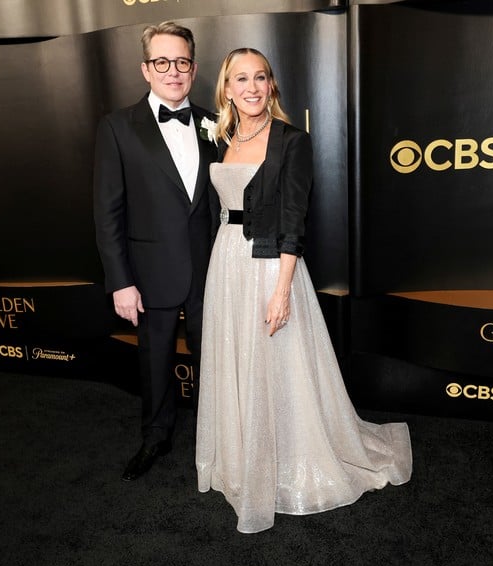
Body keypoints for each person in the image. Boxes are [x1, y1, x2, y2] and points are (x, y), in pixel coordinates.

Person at [195, 48, 413, 533]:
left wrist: (282, 288)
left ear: (272, 85)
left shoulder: (292, 141)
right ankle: (242, 458)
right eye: (240, 79)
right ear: (226, 88)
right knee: (238, 362)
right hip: (225, 264)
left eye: (261, 78)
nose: (251, 88)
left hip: (270, 263)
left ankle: (289, 460)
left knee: (279, 368)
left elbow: (294, 216)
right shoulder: (221, 137)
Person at [93, 21, 218, 481]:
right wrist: (120, 281)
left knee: (216, 363)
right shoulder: (117, 127)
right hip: (148, 273)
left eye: (181, 62)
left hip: (210, 270)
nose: (173, 71)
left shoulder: (213, 123)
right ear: (146, 69)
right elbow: (108, 213)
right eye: (162, 62)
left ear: (194, 67)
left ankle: (218, 440)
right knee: (154, 362)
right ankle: (156, 436)